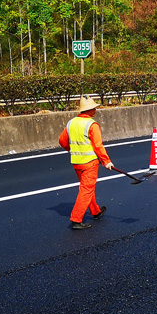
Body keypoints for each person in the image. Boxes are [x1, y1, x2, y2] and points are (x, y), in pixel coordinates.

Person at [58, 96, 116, 229]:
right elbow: (98, 145)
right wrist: (106, 161)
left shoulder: (71, 123)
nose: (95, 110)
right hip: (90, 163)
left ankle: (95, 211)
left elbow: (62, 141)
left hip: (76, 162)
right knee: (86, 189)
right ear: (89, 110)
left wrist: (71, 149)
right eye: (94, 108)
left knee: (87, 188)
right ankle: (76, 219)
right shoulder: (92, 125)